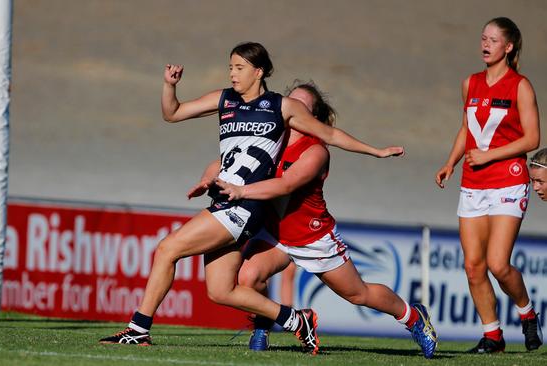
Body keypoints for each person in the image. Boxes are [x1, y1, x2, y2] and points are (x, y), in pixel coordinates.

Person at [99, 42, 403, 354]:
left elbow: (331, 135)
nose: (232, 73)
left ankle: (138, 329)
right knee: (221, 291)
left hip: (243, 206)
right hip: (225, 201)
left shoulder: (281, 107)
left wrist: (376, 151)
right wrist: (169, 85)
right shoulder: (224, 99)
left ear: (259, 72)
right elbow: (172, 113)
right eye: (230, 67)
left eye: (239, 68)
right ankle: (297, 320)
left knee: (167, 249)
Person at [214, 80, 437, 359]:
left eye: (302, 105)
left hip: (312, 237)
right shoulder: (271, 136)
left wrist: (242, 190)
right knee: (248, 276)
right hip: (276, 233)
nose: (292, 108)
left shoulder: (315, 151)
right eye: (289, 100)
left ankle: (414, 317)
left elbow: (285, 185)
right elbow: (230, 158)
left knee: (359, 294)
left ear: (313, 117)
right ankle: (262, 328)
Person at [435, 17, 542, 353]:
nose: (485, 44)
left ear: (508, 47)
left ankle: (526, 312)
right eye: (483, 38)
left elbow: (533, 138)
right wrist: (451, 162)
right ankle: (492, 336)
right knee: (473, 266)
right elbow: (467, 128)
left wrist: (489, 155)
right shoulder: (471, 82)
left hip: (508, 181)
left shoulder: (520, 86)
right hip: (473, 183)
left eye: (493, 40)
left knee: (498, 263)